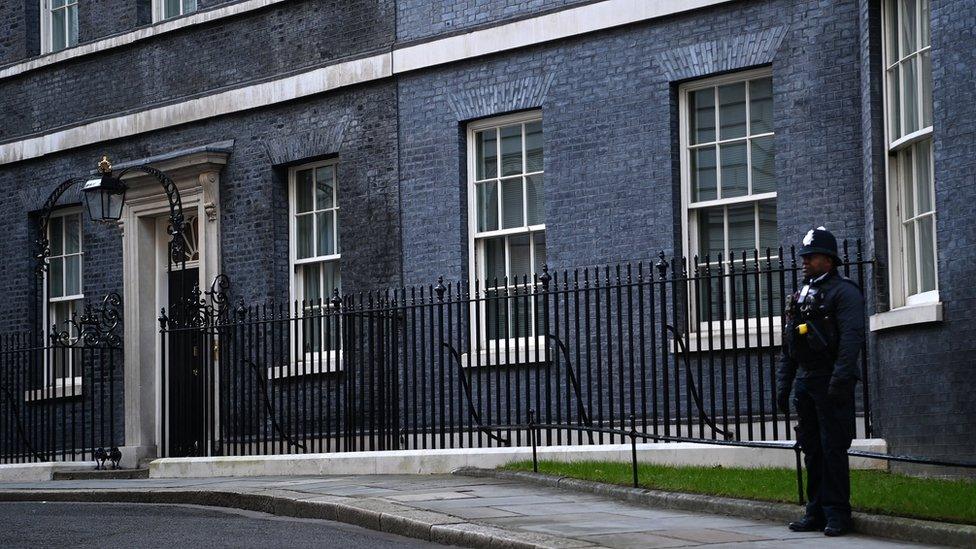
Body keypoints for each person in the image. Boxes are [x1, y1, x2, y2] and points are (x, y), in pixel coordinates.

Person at [776, 226, 864, 537]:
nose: (804, 261)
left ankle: (838, 513)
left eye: (809, 257)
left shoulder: (845, 292)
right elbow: (790, 345)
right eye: (804, 256)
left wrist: (839, 382)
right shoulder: (801, 295)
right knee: (811, 448)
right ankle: (815, 510)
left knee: (833, 448)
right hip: (807, 380)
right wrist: (784, 384)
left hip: (831, 380)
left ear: (827, 259)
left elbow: (851, 341)